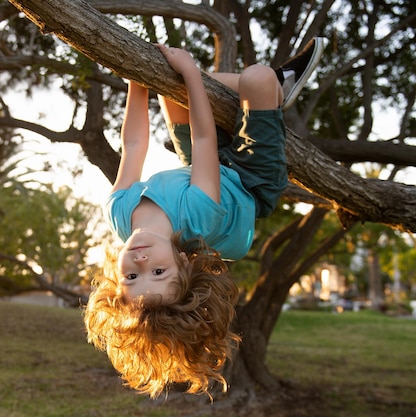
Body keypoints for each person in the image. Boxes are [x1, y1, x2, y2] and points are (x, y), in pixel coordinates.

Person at [83, 38, 326, 399]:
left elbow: (134, 145)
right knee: (256, 79)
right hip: (248, 179)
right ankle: (276, 86)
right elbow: (203, 137)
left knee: (169, 87)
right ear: (184, 261)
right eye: (159, 273)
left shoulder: (120, 212)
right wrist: (192, 72)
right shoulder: (197, 219)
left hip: (199, 169)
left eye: (132, 276)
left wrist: (136, 81)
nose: (141, 261)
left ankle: (255, 92)